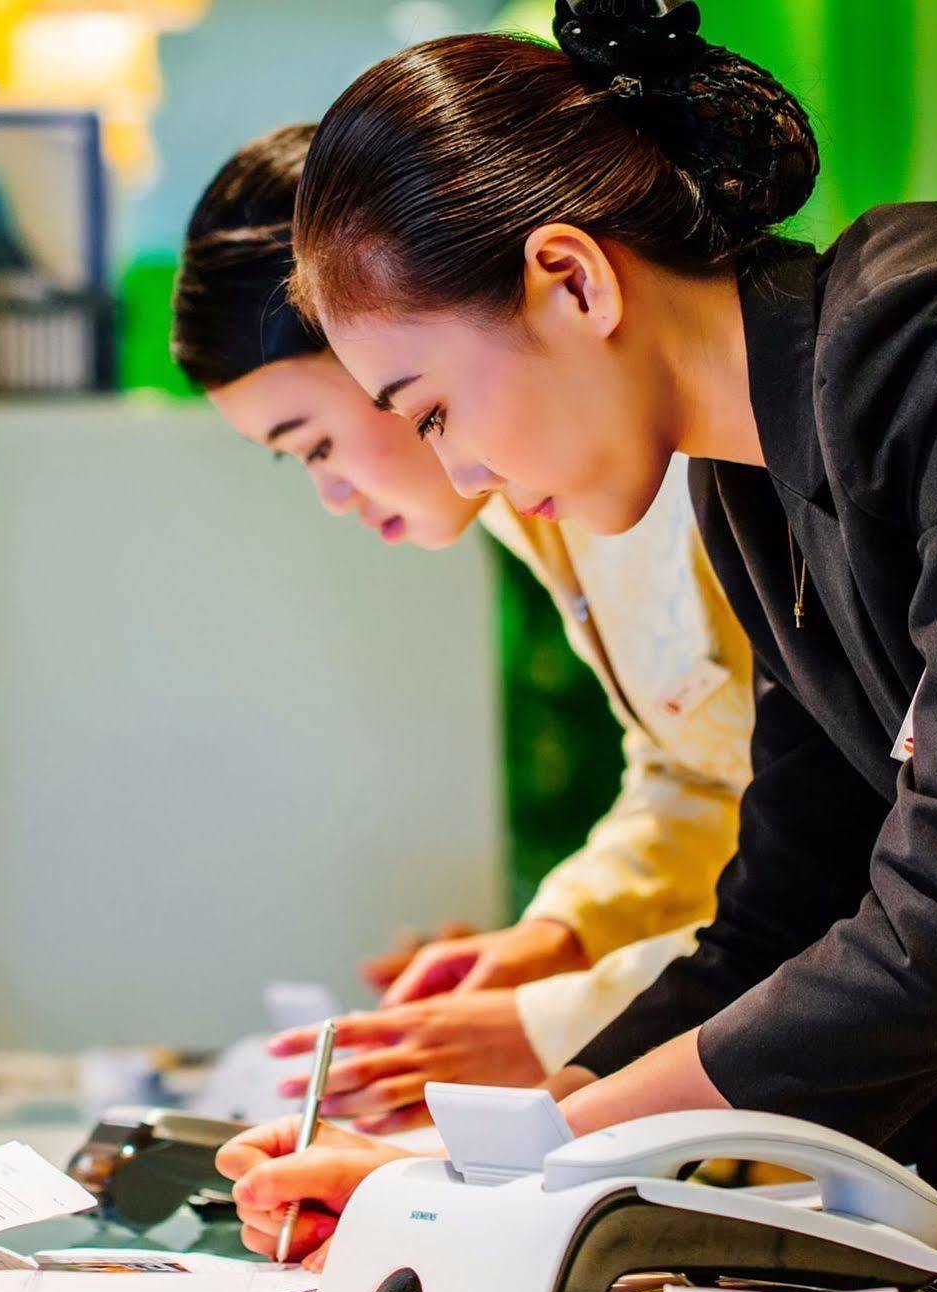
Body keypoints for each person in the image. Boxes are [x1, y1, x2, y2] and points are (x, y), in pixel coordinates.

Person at [222, 0, 937, 1265]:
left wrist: (544, 1162)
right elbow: (783, 910)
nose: (463, 471)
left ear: (573, 278)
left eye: (428, 411)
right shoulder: (744, 481)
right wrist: (473, 1156)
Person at [173, 124, 754, 1131]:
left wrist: (551, 1023)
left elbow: (857, 835)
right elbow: (701, 770)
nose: (329, 494)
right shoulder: (536, 497)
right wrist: (563, 937)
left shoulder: (671, 455)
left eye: (313, 443)